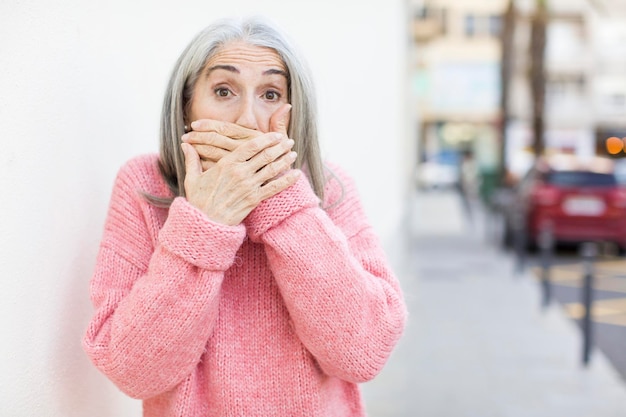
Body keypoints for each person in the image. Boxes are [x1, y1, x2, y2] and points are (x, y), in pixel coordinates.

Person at [82, 16, 407, 417]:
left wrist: (280, 199)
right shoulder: (145, 185)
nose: (248, 120)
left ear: (294, 109)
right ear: (187, 105)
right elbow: (132, 371)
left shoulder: (330, 188)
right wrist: (205, 223)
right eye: (223, 90)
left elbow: (364, 353)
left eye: (270, 94)